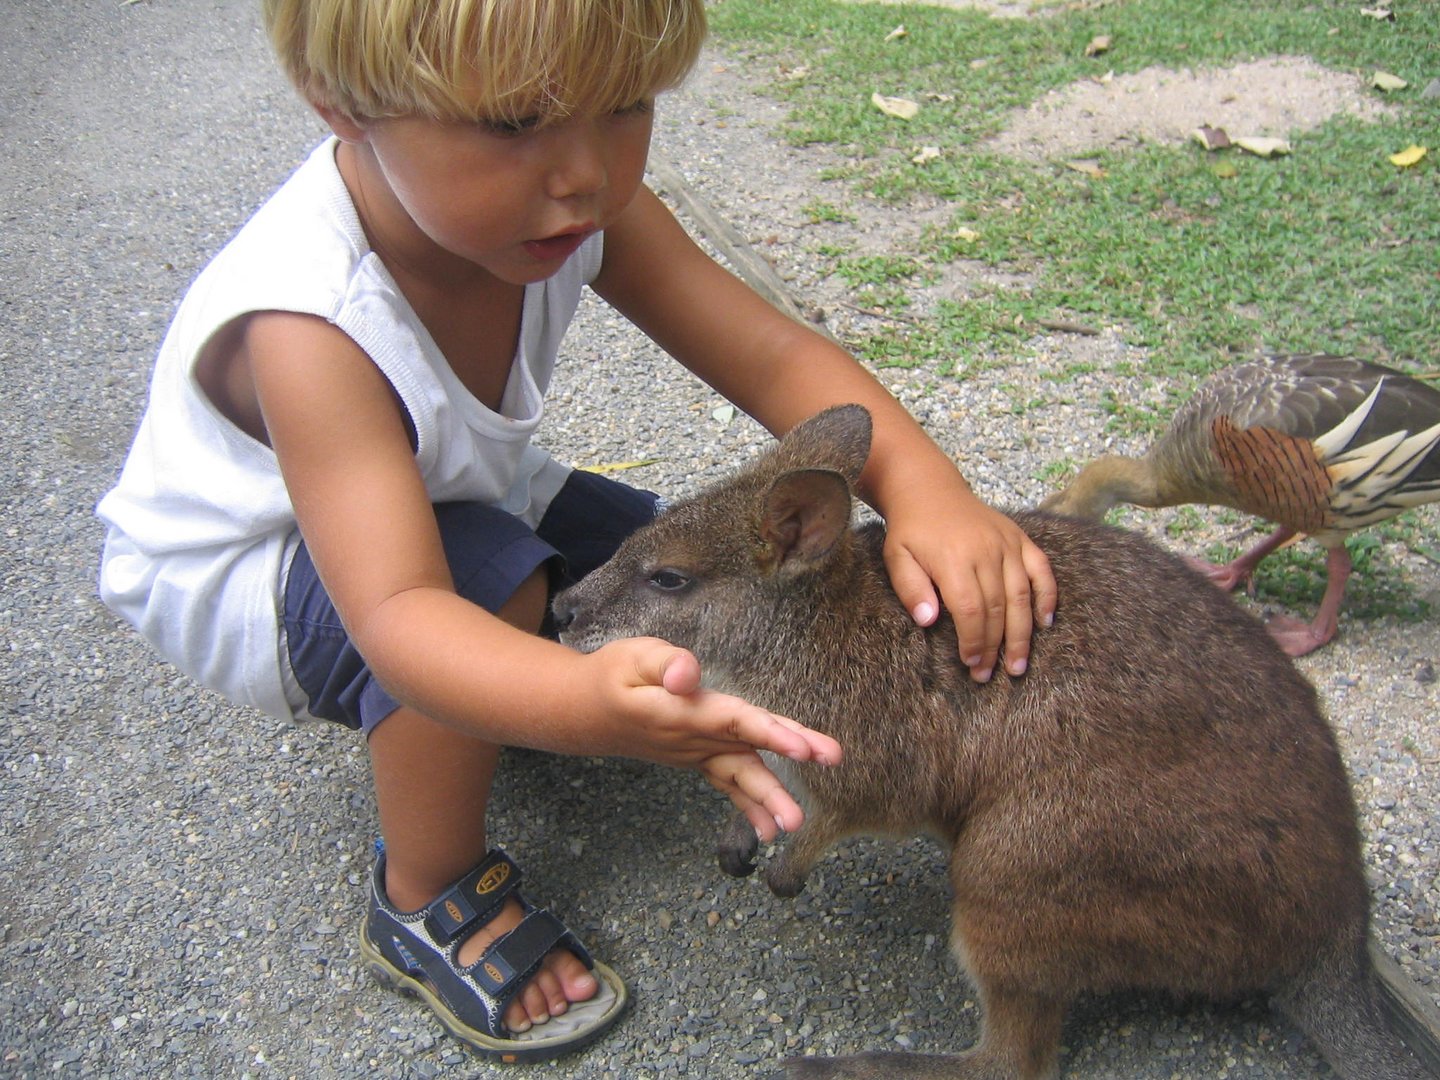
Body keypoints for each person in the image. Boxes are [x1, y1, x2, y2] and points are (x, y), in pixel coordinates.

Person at [96, 0, 1057, 1063]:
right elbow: (400, 611)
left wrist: (927, 489)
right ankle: (424, 894)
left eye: (625, 105)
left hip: (465, 493)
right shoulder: (306, 325)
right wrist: (586, 706)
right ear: (344, 106)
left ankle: (516, 678)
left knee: (671, 559)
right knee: (485, 591)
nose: (585, 175)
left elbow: (776, 360)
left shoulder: (575, 207)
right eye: (514, 121)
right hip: (265, 576)